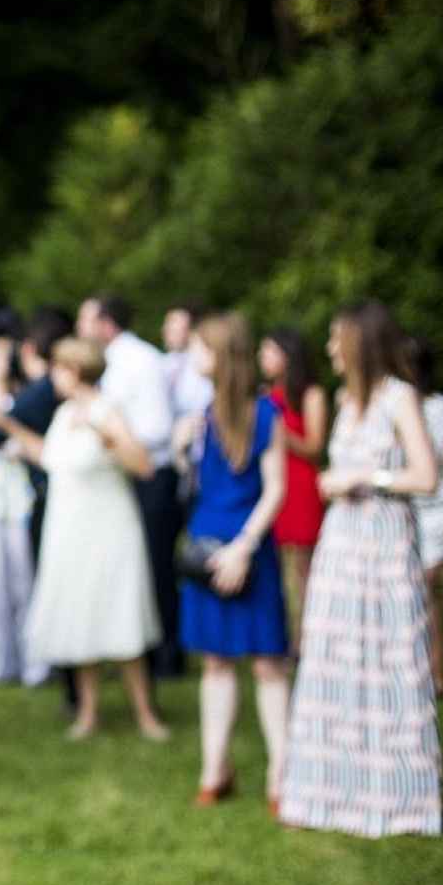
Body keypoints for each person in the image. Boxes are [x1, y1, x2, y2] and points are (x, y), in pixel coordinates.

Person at [280, 301, 442, 838]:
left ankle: (399, 797)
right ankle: (333, 790)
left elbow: (425, 476)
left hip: (385, 544)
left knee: (389, 661)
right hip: (342, 545)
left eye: (335, 339)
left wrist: (367, 478)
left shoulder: (398, 398)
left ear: (359, 343)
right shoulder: (346, 402)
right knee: (334, 660)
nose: (329, 349)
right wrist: (334, 481)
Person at [17, 338, 169, 741]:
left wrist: (105, 434)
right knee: (80, 613)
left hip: (109, 526)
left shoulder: (107, 410)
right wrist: (8, 428)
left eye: (59, 369)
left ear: (75, 370)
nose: (53, 377)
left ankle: (145, 713)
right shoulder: (64, 412)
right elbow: (51, 460)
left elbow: (143, 464)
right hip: (69, 526)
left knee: (120, 612)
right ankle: (88, 712)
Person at [172, 313, 290, 813]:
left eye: (200, 348)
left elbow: (276, 488)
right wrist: (181, 450)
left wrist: (244, 546)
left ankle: (282, 777)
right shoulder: (201, 415)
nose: (193, 357)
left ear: (222, 357)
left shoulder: (267, 415)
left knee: (267, 663)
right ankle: (214, 769)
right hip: (205, 543)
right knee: (215, 661)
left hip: (249, 545)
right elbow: (196, 481)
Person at [78, 296, 184, 678]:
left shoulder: (139, 360)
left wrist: (114, 437)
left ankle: (168, 657)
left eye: (85, 320)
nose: (80, 328)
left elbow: (157, 428)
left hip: (151, 475)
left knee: (157, 568)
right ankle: (136, 650)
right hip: (124, 475)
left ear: (106, 324)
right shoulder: (112, 362)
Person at [0, 312, 68, 687]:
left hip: (23, 498)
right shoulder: (25, 390)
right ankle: (6, 660)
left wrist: (1, 381)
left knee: (21, 580)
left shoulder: (37, 391)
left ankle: (33, 661)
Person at [259, 327, 328, 636]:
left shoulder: (311, 394)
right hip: (273, 483)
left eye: (269, 351)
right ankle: (285, 635)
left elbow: (314, 447)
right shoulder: (265, 395)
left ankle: (309, 637)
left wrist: (279, 432)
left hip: (301, 485)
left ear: (287, 355)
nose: (262, 357)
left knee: (304, 567)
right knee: (277, 567)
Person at [408, 337, 443, 696]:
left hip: (435, 511)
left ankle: (436, 675)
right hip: (403, 511)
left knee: (425, 592)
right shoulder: (393, 407)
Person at [162, 302, 214, 421]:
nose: (165, 330)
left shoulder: (205, 365)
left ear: (192, 330)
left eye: (173, 325)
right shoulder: (164, 363)